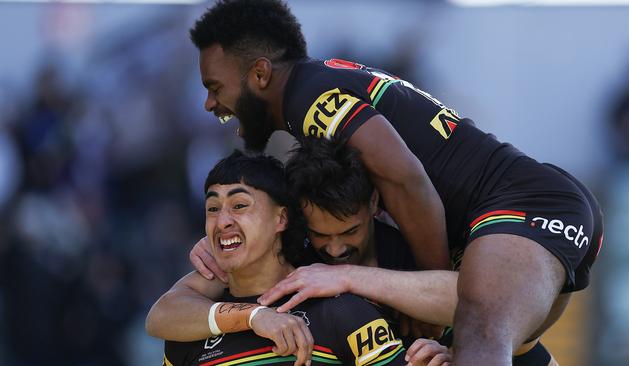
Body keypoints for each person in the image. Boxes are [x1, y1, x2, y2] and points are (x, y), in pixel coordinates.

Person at [187, 0, 604, 364]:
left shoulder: (309, 100)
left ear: (259, 74)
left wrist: (431, 298)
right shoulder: (317, 87)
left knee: (478, 328)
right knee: (501, 347)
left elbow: (407, 179)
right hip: (519, 216)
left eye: (215, 87)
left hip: (527, 207)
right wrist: (236, 227)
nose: (210, 103)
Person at [149, 138, 556, 365]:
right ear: (293, 220)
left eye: (349, 231)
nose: (336, 247)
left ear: (375, 205)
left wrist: (345, 277)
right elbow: (164, 314)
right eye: (213, 208)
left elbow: (487, 305)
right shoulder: (286, 251)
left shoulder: (412, 250)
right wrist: (232, 246)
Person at [160, 150, 434, 366]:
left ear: (281, 218)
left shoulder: (344, 313)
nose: (223, 221)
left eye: (239, 205)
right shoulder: (190, 330)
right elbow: (161, 313)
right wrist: (254, 315)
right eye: (213, 208)